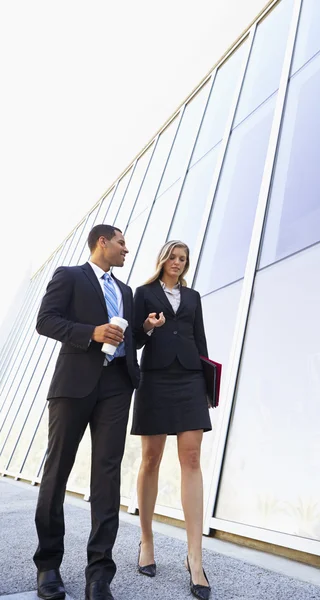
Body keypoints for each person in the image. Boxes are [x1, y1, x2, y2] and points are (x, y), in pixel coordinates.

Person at [33, 224, 140, 600]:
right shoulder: (70, 276)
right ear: (103, 242)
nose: (127, 249)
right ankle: (48, 566)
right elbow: (45, 321)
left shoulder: (125, 291)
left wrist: (145, 328)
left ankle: (99, 576)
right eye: (122, 242)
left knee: (107, 478)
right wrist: (90, 332)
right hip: (74, 385)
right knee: (57, 470)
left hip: (117, 387)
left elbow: (127, 336)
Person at [131, 240, 212, 600]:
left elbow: (200, 339)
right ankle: (146, 541)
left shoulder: (193, 297)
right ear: (163, 260)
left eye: (183, 259)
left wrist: (209, 387)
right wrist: (148, 326)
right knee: (151, 460)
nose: (178, 263)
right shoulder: (143, 293)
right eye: (173, 257)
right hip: (155, 380)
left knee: (192, 459)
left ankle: (195, 558)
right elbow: (132, 340)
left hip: (191, 379)